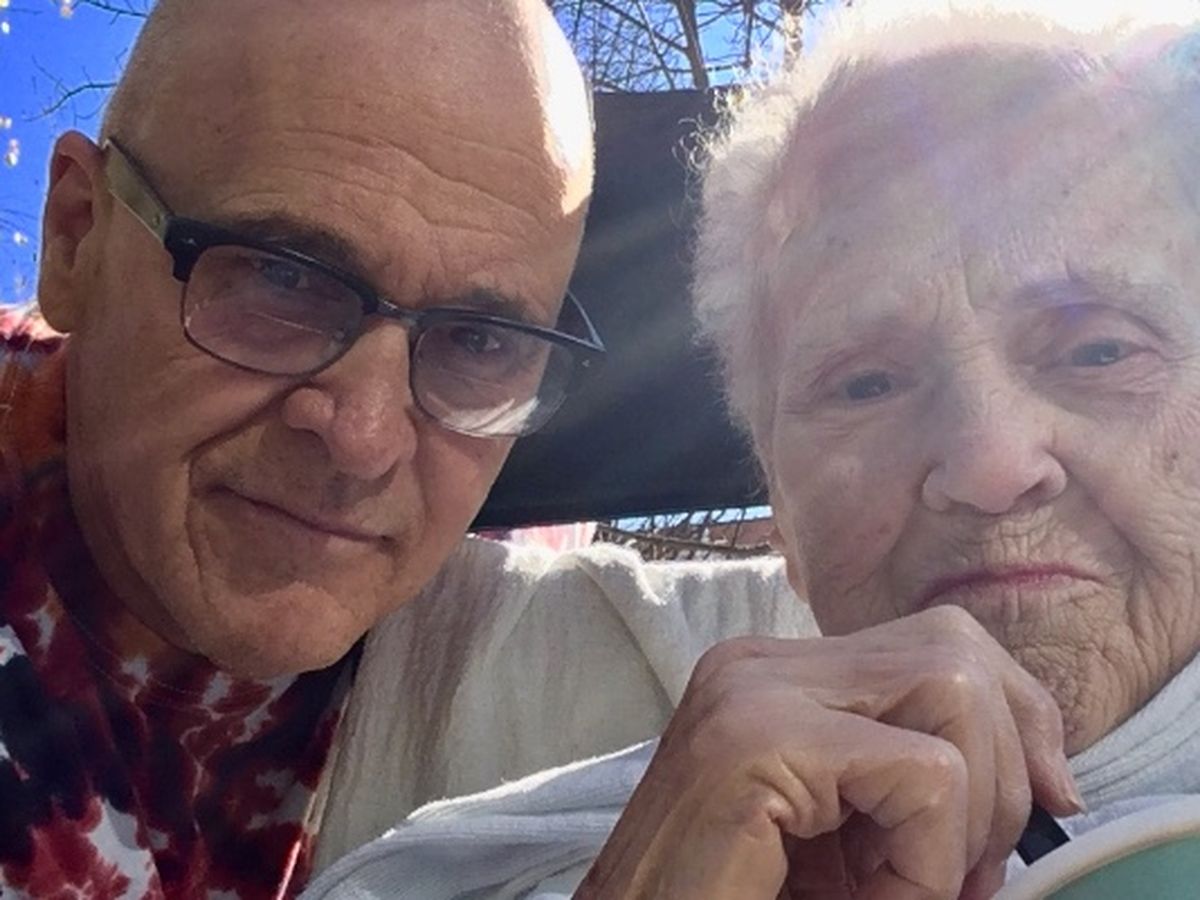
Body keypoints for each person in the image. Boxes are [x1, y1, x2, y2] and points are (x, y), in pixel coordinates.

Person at [296, 2, 1200, 898]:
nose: (989, 465)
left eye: (1100, 350)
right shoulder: (460, 877)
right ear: (783, 516)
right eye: (866, 384)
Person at [0, 0, 606, 895]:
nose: (365, 440)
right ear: (75, 238)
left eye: (480, 341)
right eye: (282, 277)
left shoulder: (547, 633)